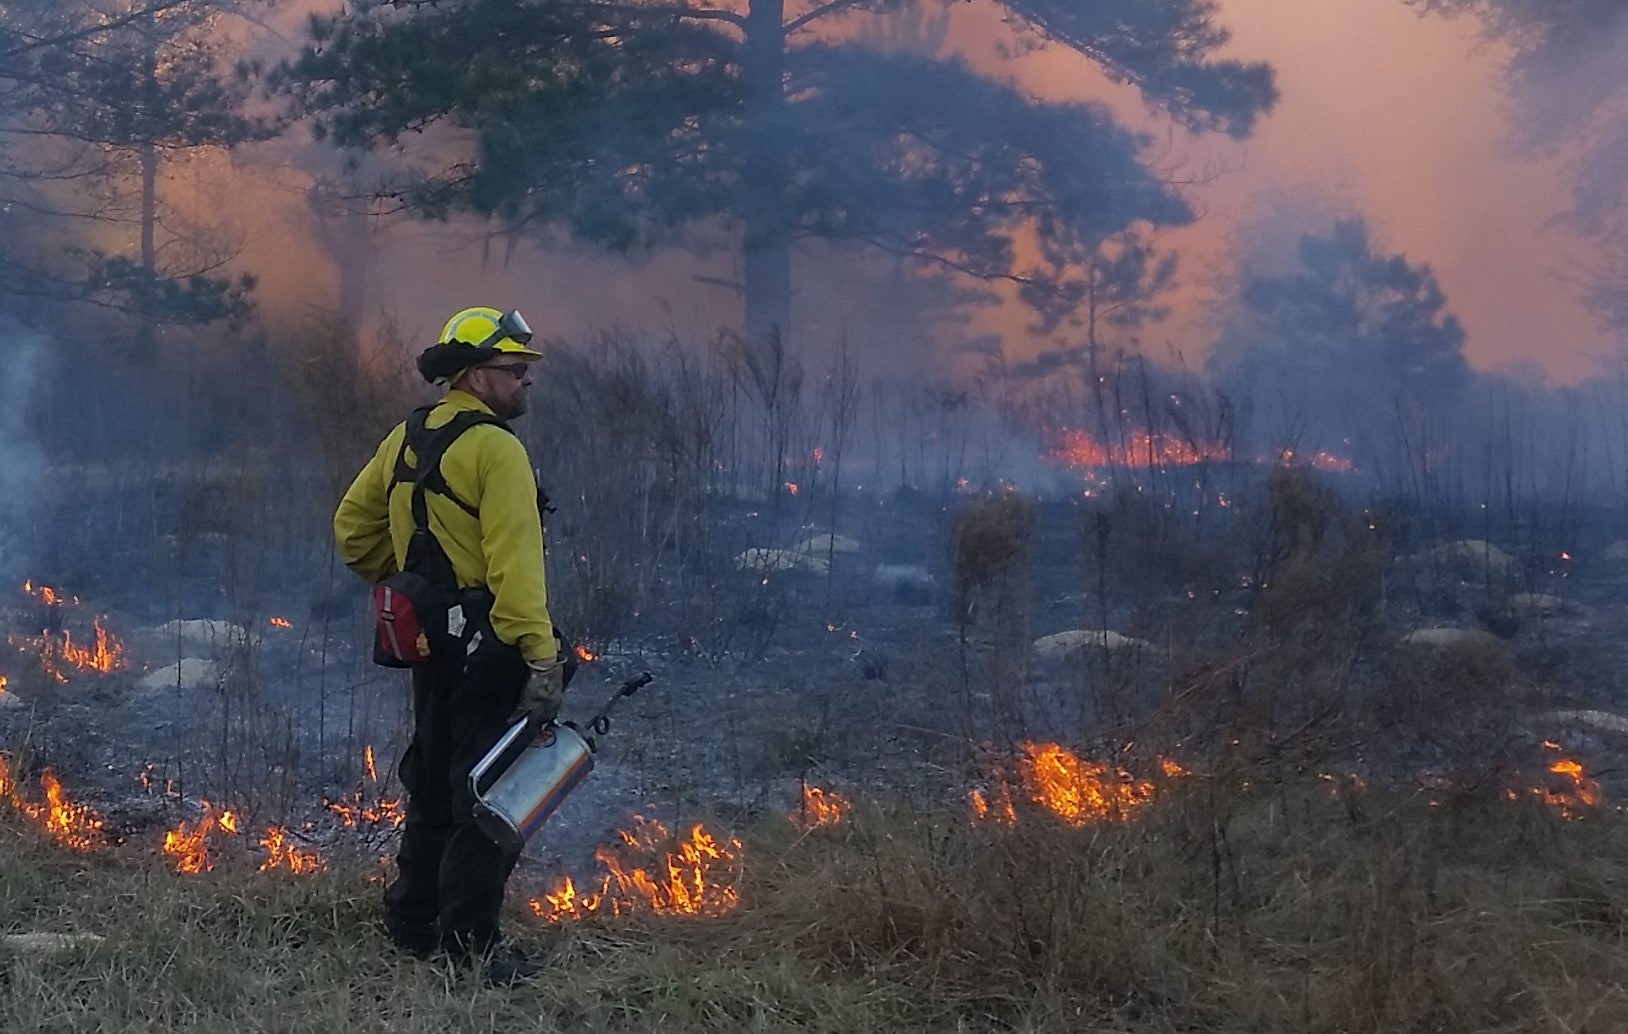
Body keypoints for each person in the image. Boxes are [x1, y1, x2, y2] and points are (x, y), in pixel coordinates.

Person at [334, 306, 566, 985]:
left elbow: (352, 529)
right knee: (486, 793)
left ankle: (413, 923)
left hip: (430, 647)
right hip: (492, 650)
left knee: (433, 780)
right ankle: (469, 947)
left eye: (528, 370)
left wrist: (407, 582)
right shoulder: (497, 449)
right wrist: (541, 654)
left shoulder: (408, 435)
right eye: (514, 369)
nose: (527, 381)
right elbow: (515, 568)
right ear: (474, 374)